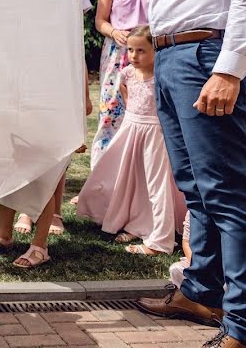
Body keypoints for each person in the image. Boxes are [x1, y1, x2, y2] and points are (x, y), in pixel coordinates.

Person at [76, 0, 246, 347]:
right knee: (195, 189)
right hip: (172, 57)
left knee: (225, 192)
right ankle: (200, 292)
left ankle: (243, 323)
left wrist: (229, 70)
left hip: (205, 57)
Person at [9, 0, 92, 236]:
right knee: (24, 148)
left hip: (57, 74)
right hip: (23, 73)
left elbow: (75, 43)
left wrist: (83, 93)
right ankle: (26, 212)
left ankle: (54, 213)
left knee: (56, 148)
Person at [77, 26, 187, 255]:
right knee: (130, 179)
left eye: (141, 51)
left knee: (156, 185)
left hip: (155, 133)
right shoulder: (127, 73)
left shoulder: (162, 76)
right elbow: (128, 101)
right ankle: (136, 223)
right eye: (130, 50)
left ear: (156, 51)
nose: (134, 56)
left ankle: (161, 240)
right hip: (131, 129)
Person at [90, 0, 153, 167]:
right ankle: (101, 184)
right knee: (111, 112)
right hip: (119, 53)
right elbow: (100, 21)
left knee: (148, 114)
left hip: (153, 54)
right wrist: (114, 32)